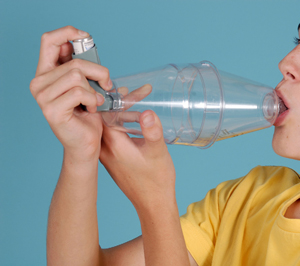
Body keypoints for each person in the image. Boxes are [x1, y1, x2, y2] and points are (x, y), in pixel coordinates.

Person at [30, 25, 300, 266]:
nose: (286, 62)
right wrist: (82, 152)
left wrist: (155, 203)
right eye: (297, 40)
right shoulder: (253, 195)